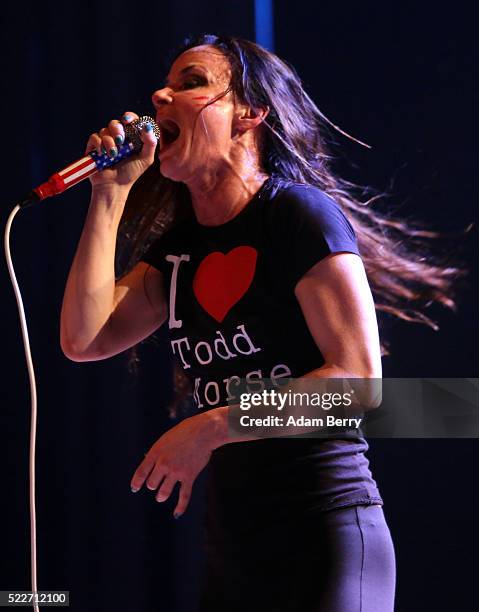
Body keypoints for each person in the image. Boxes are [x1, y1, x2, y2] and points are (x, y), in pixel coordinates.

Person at [60, 33, 459, 612]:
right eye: (165, 84)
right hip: (234, 551)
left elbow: (358, 385)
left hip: (325, 534)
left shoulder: (296, 215)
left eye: (190, 82)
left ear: (249, 113)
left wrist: (213, 425)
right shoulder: (179, 253)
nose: (160, 95)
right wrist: (108, 193)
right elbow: (83, 338)